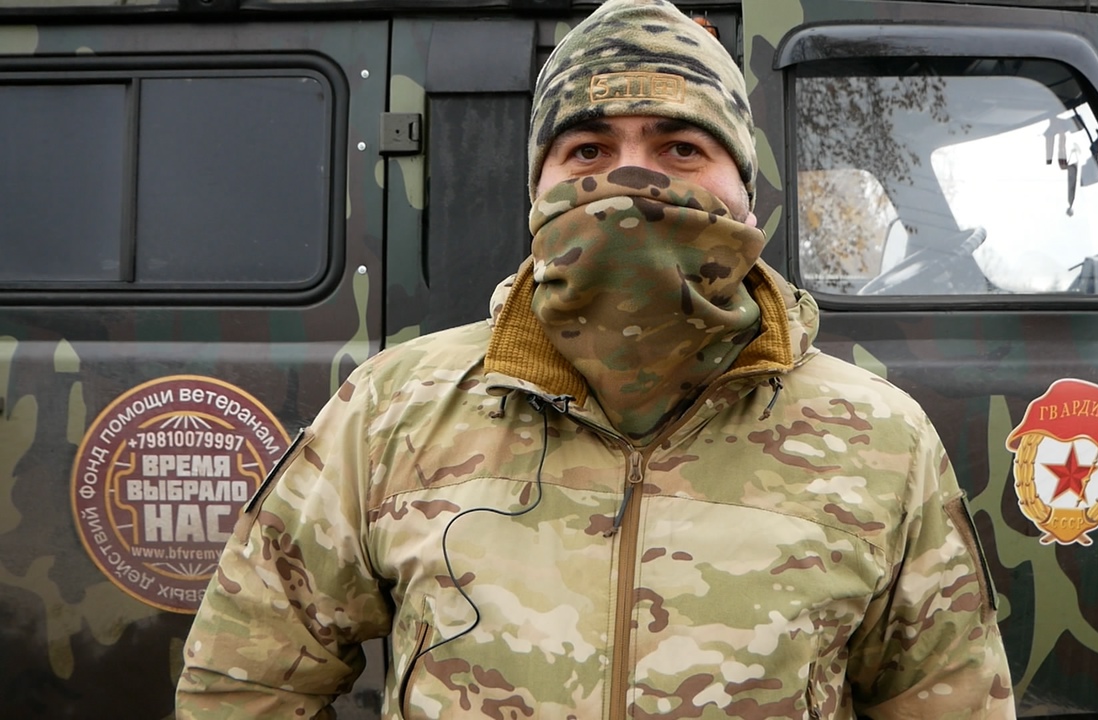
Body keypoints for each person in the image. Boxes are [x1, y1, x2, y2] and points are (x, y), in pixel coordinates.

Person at [175, 0, 1015, 717]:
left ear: (742, 192)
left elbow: (947, 700)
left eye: (681, 147)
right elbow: (245, 678)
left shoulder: (878, 438)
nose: (630, 181)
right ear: (536, 190)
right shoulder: (393, 409)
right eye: (587, 151)